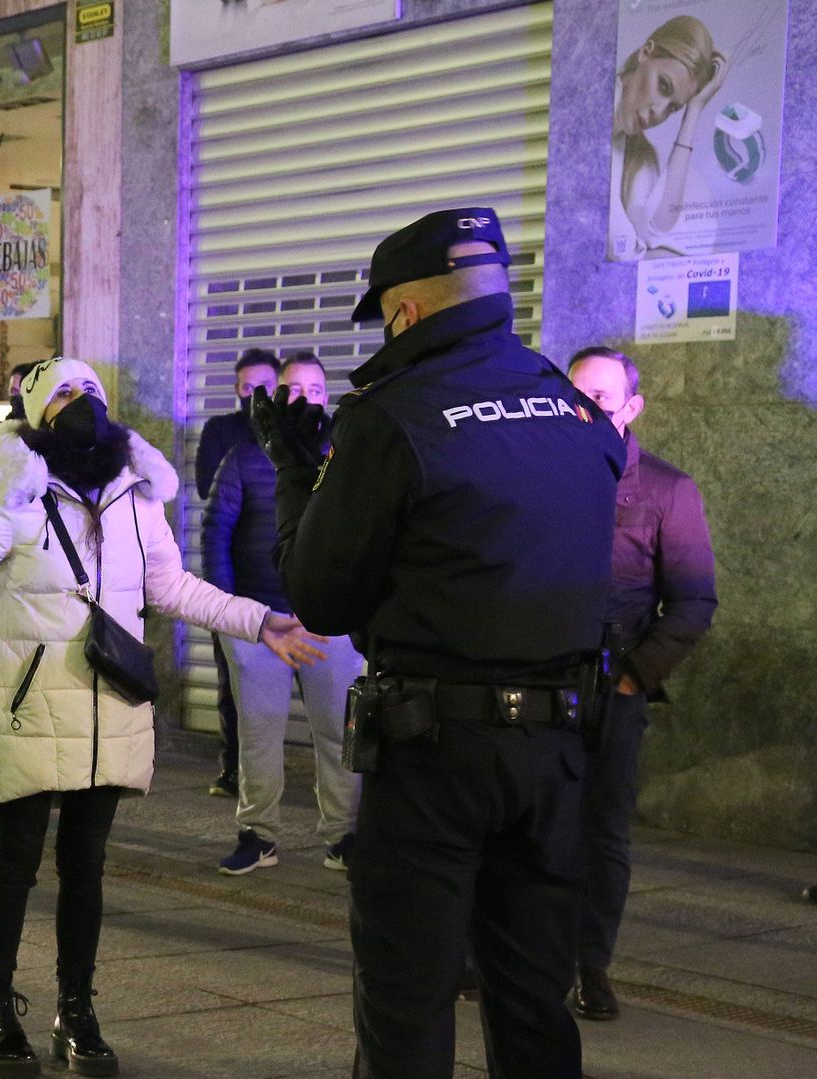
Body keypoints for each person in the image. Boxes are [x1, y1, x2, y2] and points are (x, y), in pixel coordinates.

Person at [0, 356, 326, 1078]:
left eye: (89, 390)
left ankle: (76, 1009)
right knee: (16, 863)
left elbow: (172, 586)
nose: (80, 401)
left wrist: (260, 620)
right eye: (63, 393)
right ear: (35, 413)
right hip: (29, 706)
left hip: (110, 707)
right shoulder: (13, 494)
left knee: (86, 867)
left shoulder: (135, 494)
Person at [251, 207, 624, 1079]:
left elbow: (321, 594)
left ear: (407, 314)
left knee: (408, 1002)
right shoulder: (572, 407)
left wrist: (301, 481)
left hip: (434, 757)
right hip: (560, 751)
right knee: (533, 1003)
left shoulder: (396, 417)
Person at [567, 345, 717, 1021]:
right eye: (575, 396)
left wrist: (634, 678)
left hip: (613, 683)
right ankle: (503, 950)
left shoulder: (666, 489)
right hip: (534, 677)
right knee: (517, 820)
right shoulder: (537, 475)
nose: (585, 410)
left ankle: (589, 963)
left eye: (600, 398)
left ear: (631, 406)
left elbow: (693, 600)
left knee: (602, 832)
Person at [203, 351, 363, 876]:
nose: (304, 400)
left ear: (327, 397)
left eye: (315, 391)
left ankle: (344, 837)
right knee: (258, 733)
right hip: (258, 620)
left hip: (330, 622)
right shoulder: (243, 458)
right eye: (293, 390)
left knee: (340, 733)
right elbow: (215, 537)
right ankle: (257, 835)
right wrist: (233, 615)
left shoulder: (348, 457)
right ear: (275, 397)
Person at [195, 347, 278, 798]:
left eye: (265, 388)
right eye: (248, 389)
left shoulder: (297, 430)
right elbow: (208, 485)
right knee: (233, 681)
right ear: (236, 389)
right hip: (234, 579)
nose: (257, 397)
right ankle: (232, 769)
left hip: (286, 586)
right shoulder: (221, 431)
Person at [609, 16, 727, 260]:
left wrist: (693, 111)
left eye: (673, 108)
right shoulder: (580, 122)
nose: (659, 111)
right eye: (663, 86)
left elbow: (660, 228)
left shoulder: (636, 156)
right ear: (645, 52)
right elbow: (622, 251)